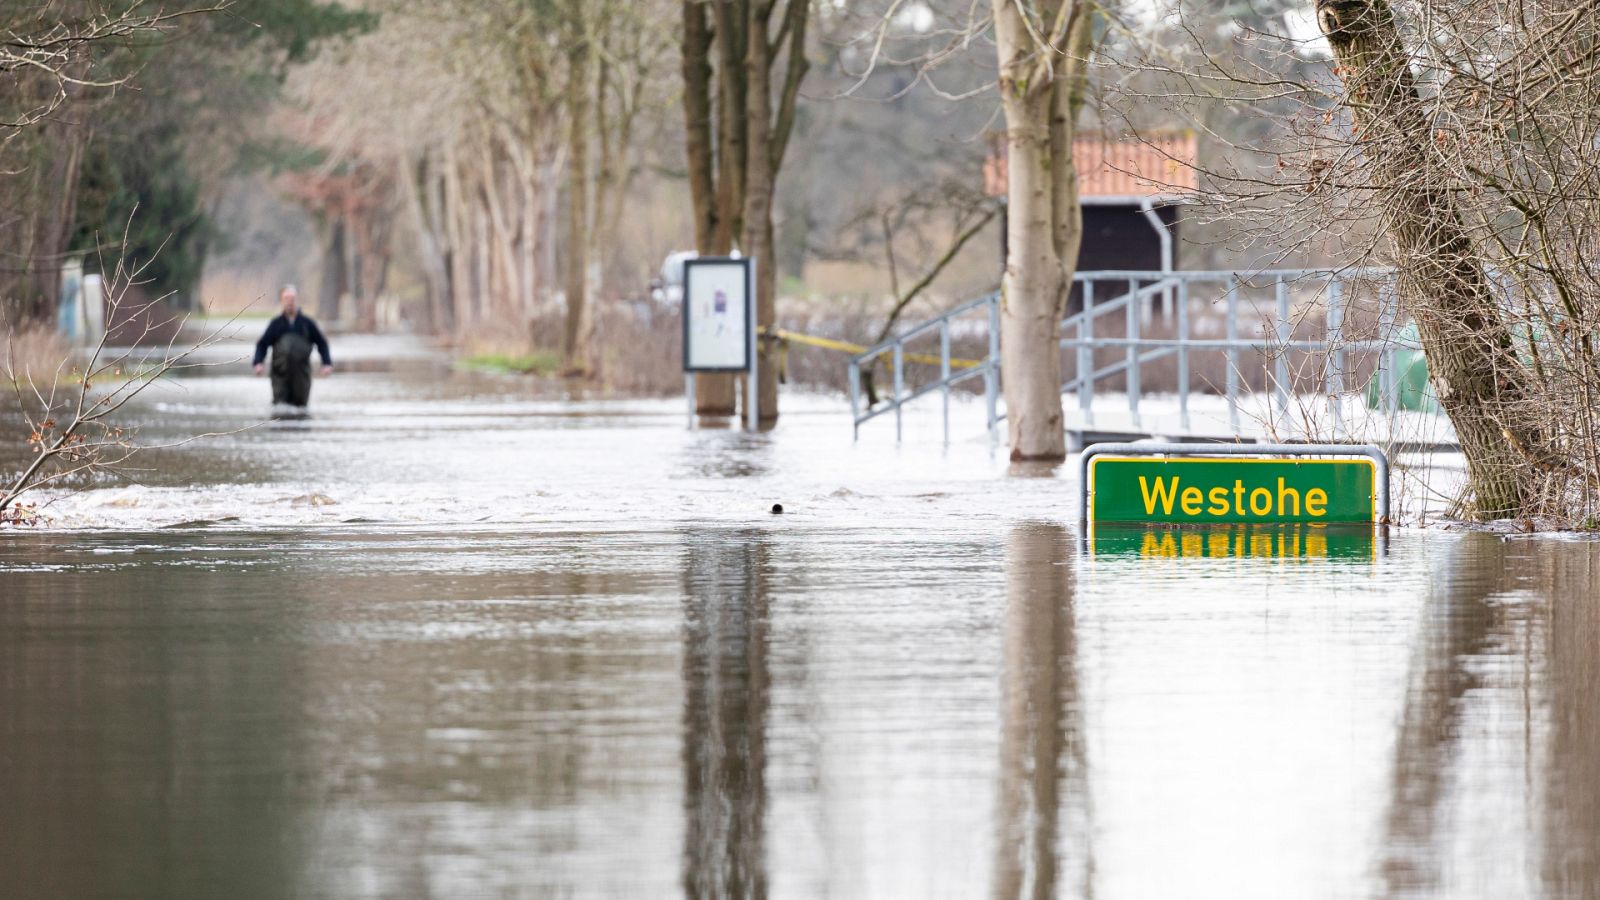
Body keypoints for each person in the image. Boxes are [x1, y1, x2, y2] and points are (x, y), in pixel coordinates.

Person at [253, 285, 332, 408]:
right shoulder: (276, 324)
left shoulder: (307, 323)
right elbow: (262, 344)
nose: (289, 301)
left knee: (300, 409)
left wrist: (326, 363)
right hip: (280, 375)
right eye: (286, 298)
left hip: (302, 375)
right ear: (282, 301)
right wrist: (258, 362)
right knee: (280, 408)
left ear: (297, 300)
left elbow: (322, 343)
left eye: (292, 298)